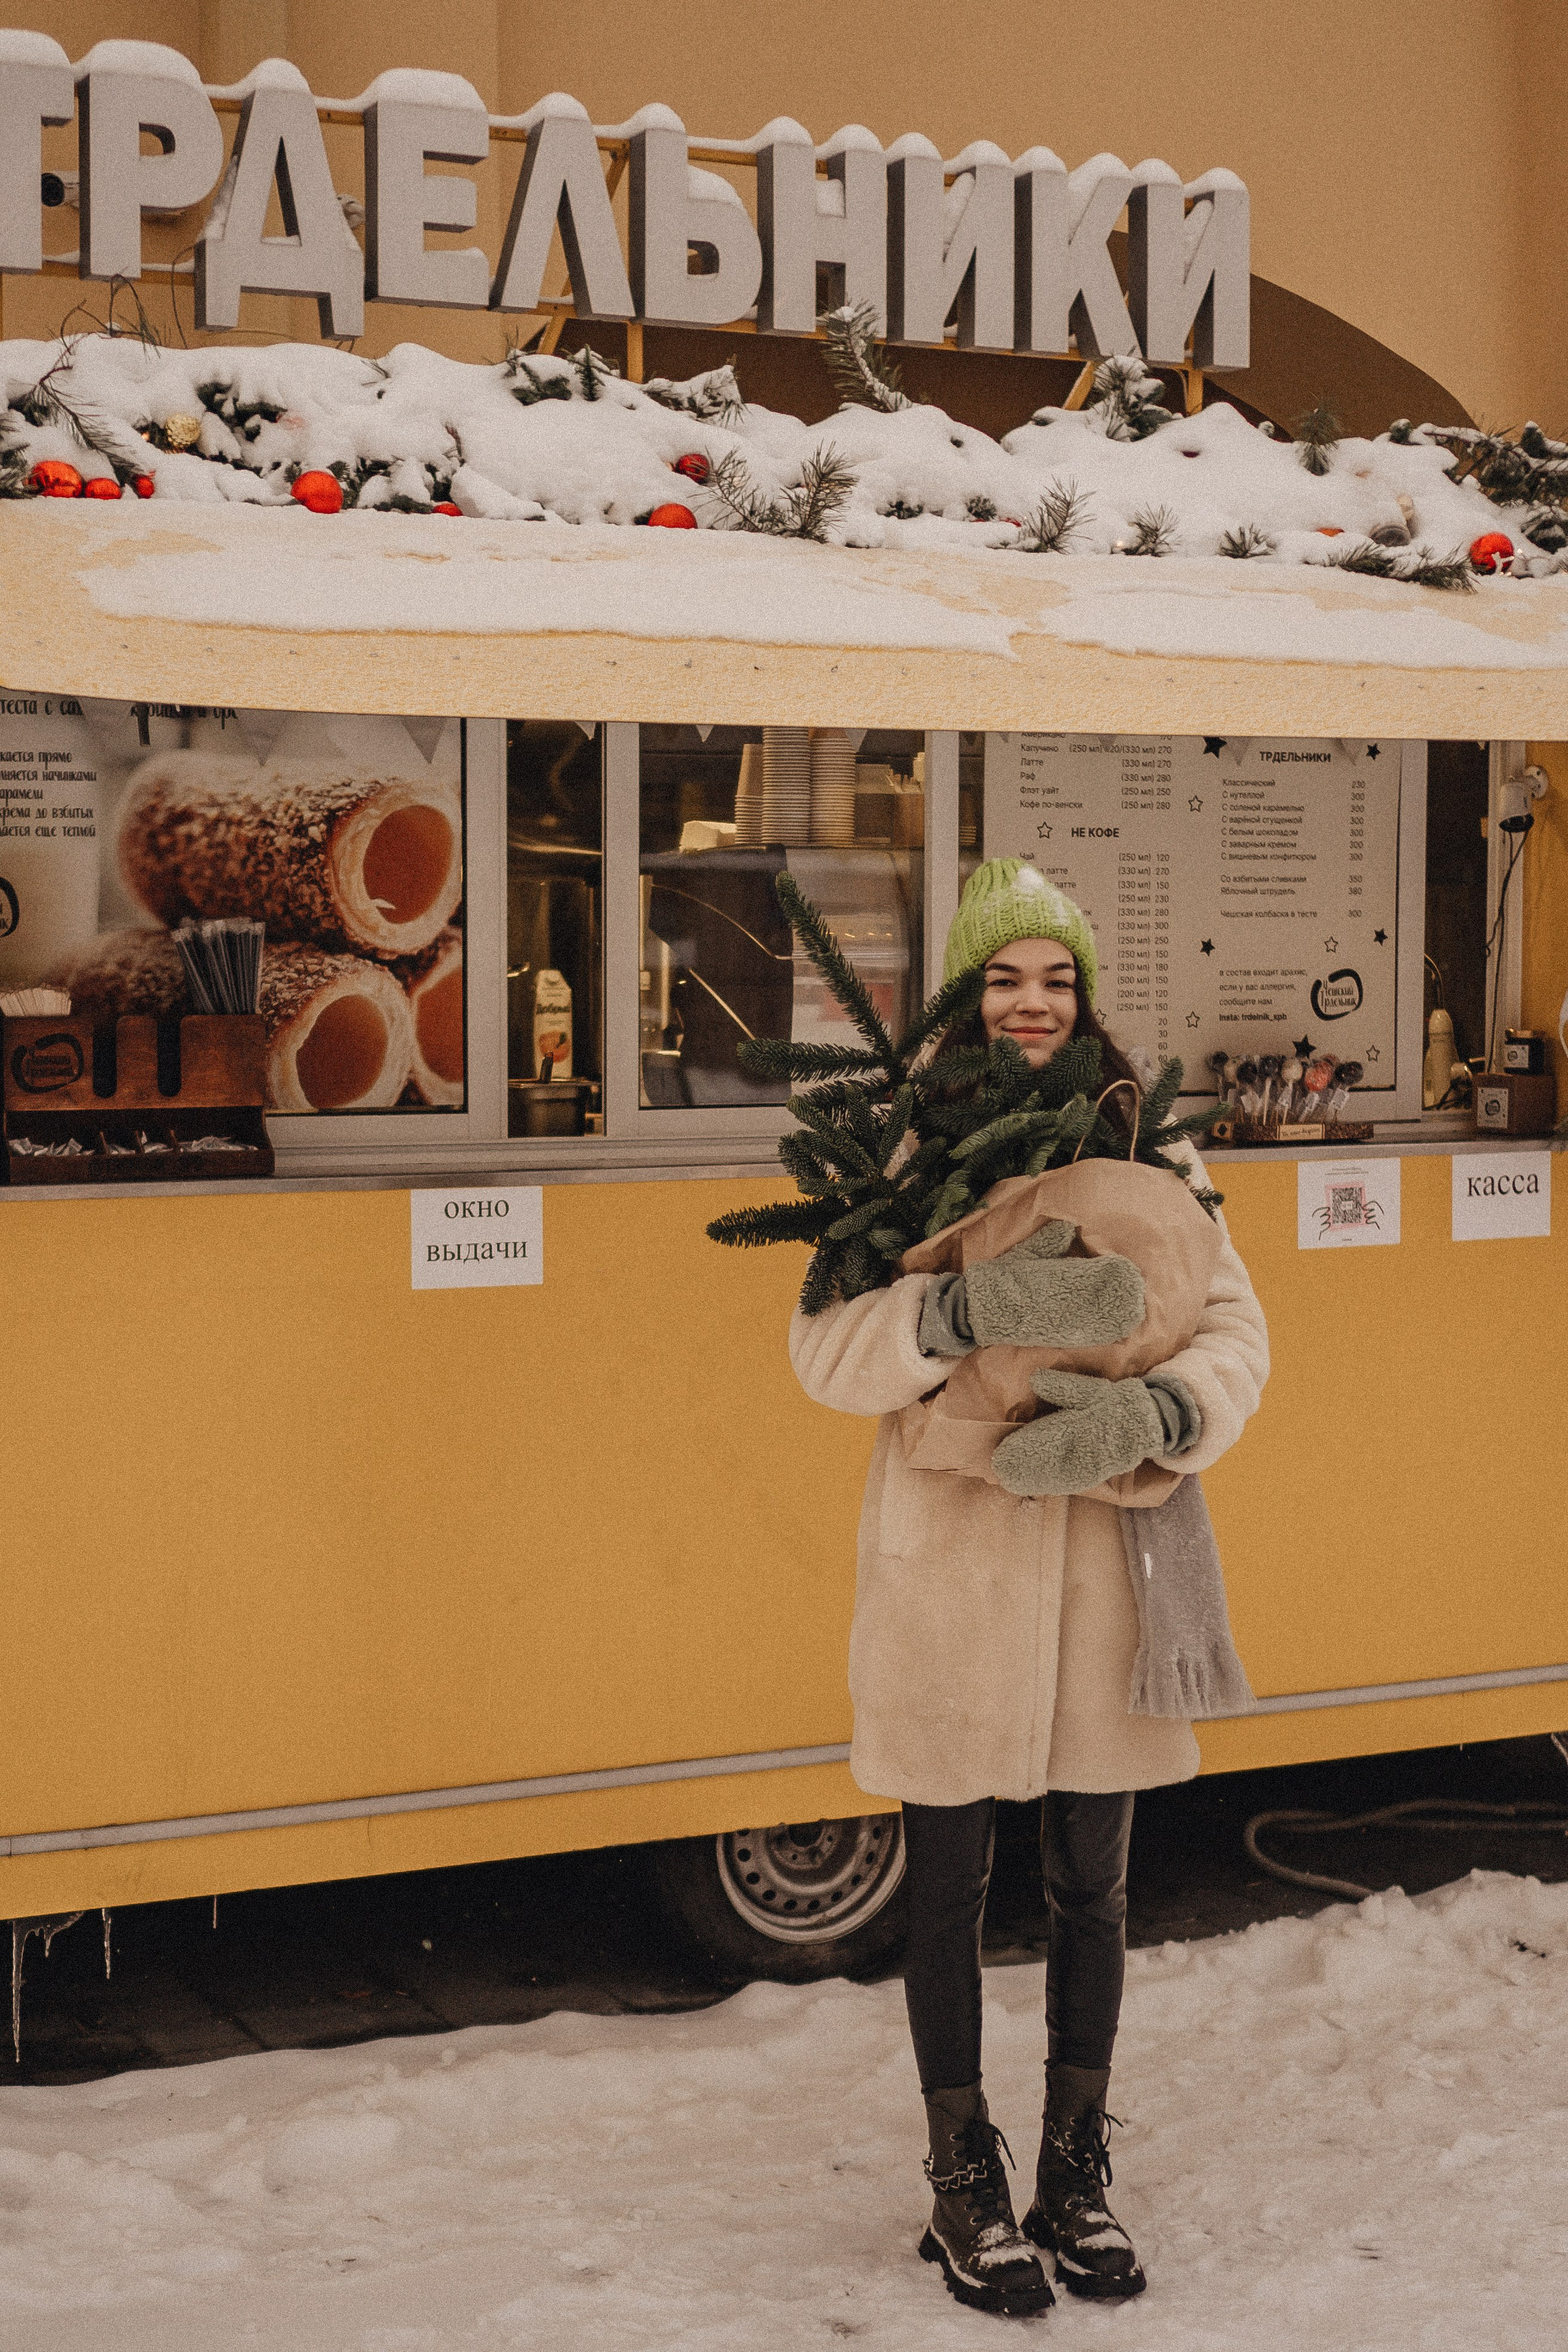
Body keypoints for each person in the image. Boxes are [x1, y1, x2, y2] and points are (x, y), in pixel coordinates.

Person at [789, 861, 1269, 2319]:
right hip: (955, 1564)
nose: (1030, 1004)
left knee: (1093, 1887)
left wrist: (1160, 1415)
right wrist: (954, 1308)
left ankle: (1073, 2171)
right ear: (961, 996)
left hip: (1112, 1559)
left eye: (1054, 979)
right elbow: (819, 1353)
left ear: (1084, 999)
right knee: (945, 1891)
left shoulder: (1155, 1155)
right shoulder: (901, 1155)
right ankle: (960, 2186)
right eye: (1003, 978)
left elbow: (1237, 1329)